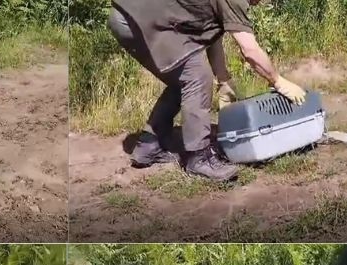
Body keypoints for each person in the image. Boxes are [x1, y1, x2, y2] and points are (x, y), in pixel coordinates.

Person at [107, 0, 306, 182]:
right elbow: (250, 50)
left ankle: (148, 145)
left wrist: (223, 80)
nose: (260, 3)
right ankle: (199, 158)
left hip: (129, 16)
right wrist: (277, 80)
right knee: (197, 77)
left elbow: (212, 38)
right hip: (136, 20)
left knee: (185, 79)